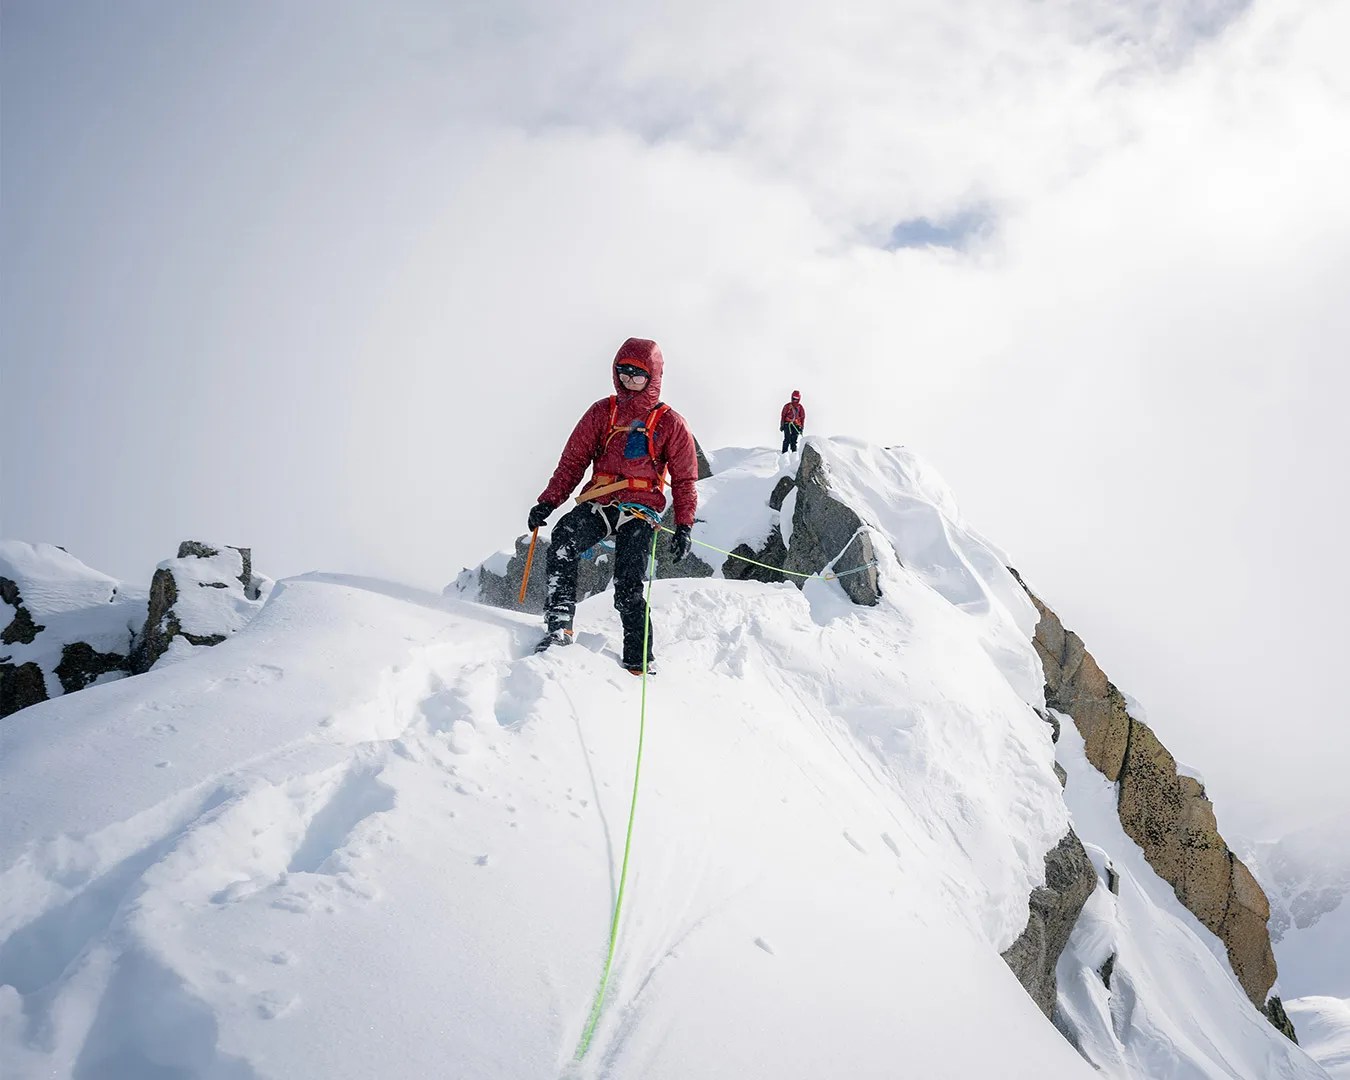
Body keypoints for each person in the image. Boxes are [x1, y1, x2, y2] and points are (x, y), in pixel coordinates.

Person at [526, 338, 697, 675]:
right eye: (624, 372)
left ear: (654, 377)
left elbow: (685, 480)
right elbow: (573, 462)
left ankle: (639, 661)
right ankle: (559, 626)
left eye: (638, 375)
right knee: (563, 541)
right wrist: (548, 501)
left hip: (641, 510)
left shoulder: (670, 423)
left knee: (628, 585)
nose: (629, 380)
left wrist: (684, 525)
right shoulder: (602, 412)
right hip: (601, 500)